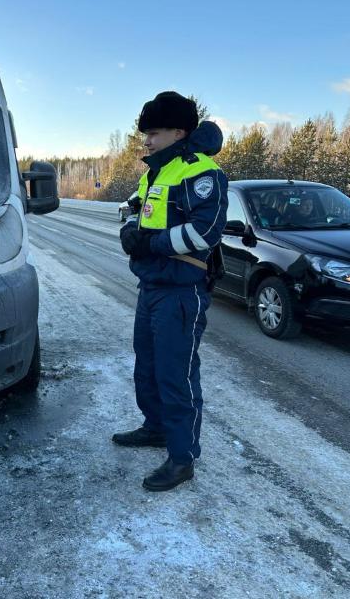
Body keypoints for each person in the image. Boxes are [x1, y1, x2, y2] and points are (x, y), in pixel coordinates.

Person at [114, 91, 228, 491]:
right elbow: (136, 212)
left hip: (181, 291)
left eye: (154, 133)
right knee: (146, 367)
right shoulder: (156, 172)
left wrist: (152, 244)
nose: (147, 141)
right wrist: (130, 231)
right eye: (146, 133)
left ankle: (182, 459)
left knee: (175, 374)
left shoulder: (202, 172)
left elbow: (205, 231)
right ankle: (156, 428)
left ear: (179, 132)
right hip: (151, 285)